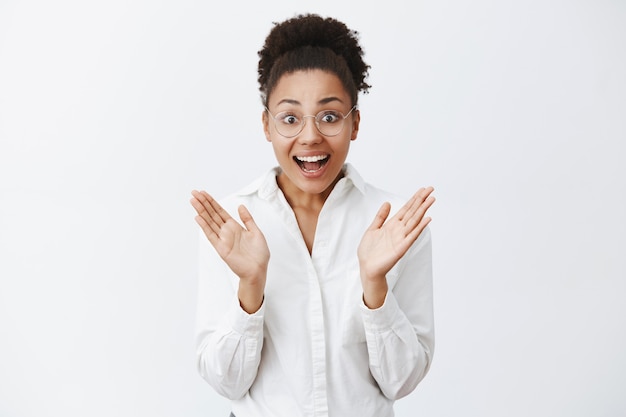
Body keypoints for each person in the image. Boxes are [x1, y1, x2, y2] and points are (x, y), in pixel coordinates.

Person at [190, 13, 435, 417]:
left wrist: (375, 287)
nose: (310, 136)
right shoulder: (232, 223)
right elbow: (225, 382)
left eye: (329, 116)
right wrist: (251, 284)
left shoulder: (396, 225)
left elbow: (402, 382)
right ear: (267, 126)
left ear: (354, 122)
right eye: (290, 118)